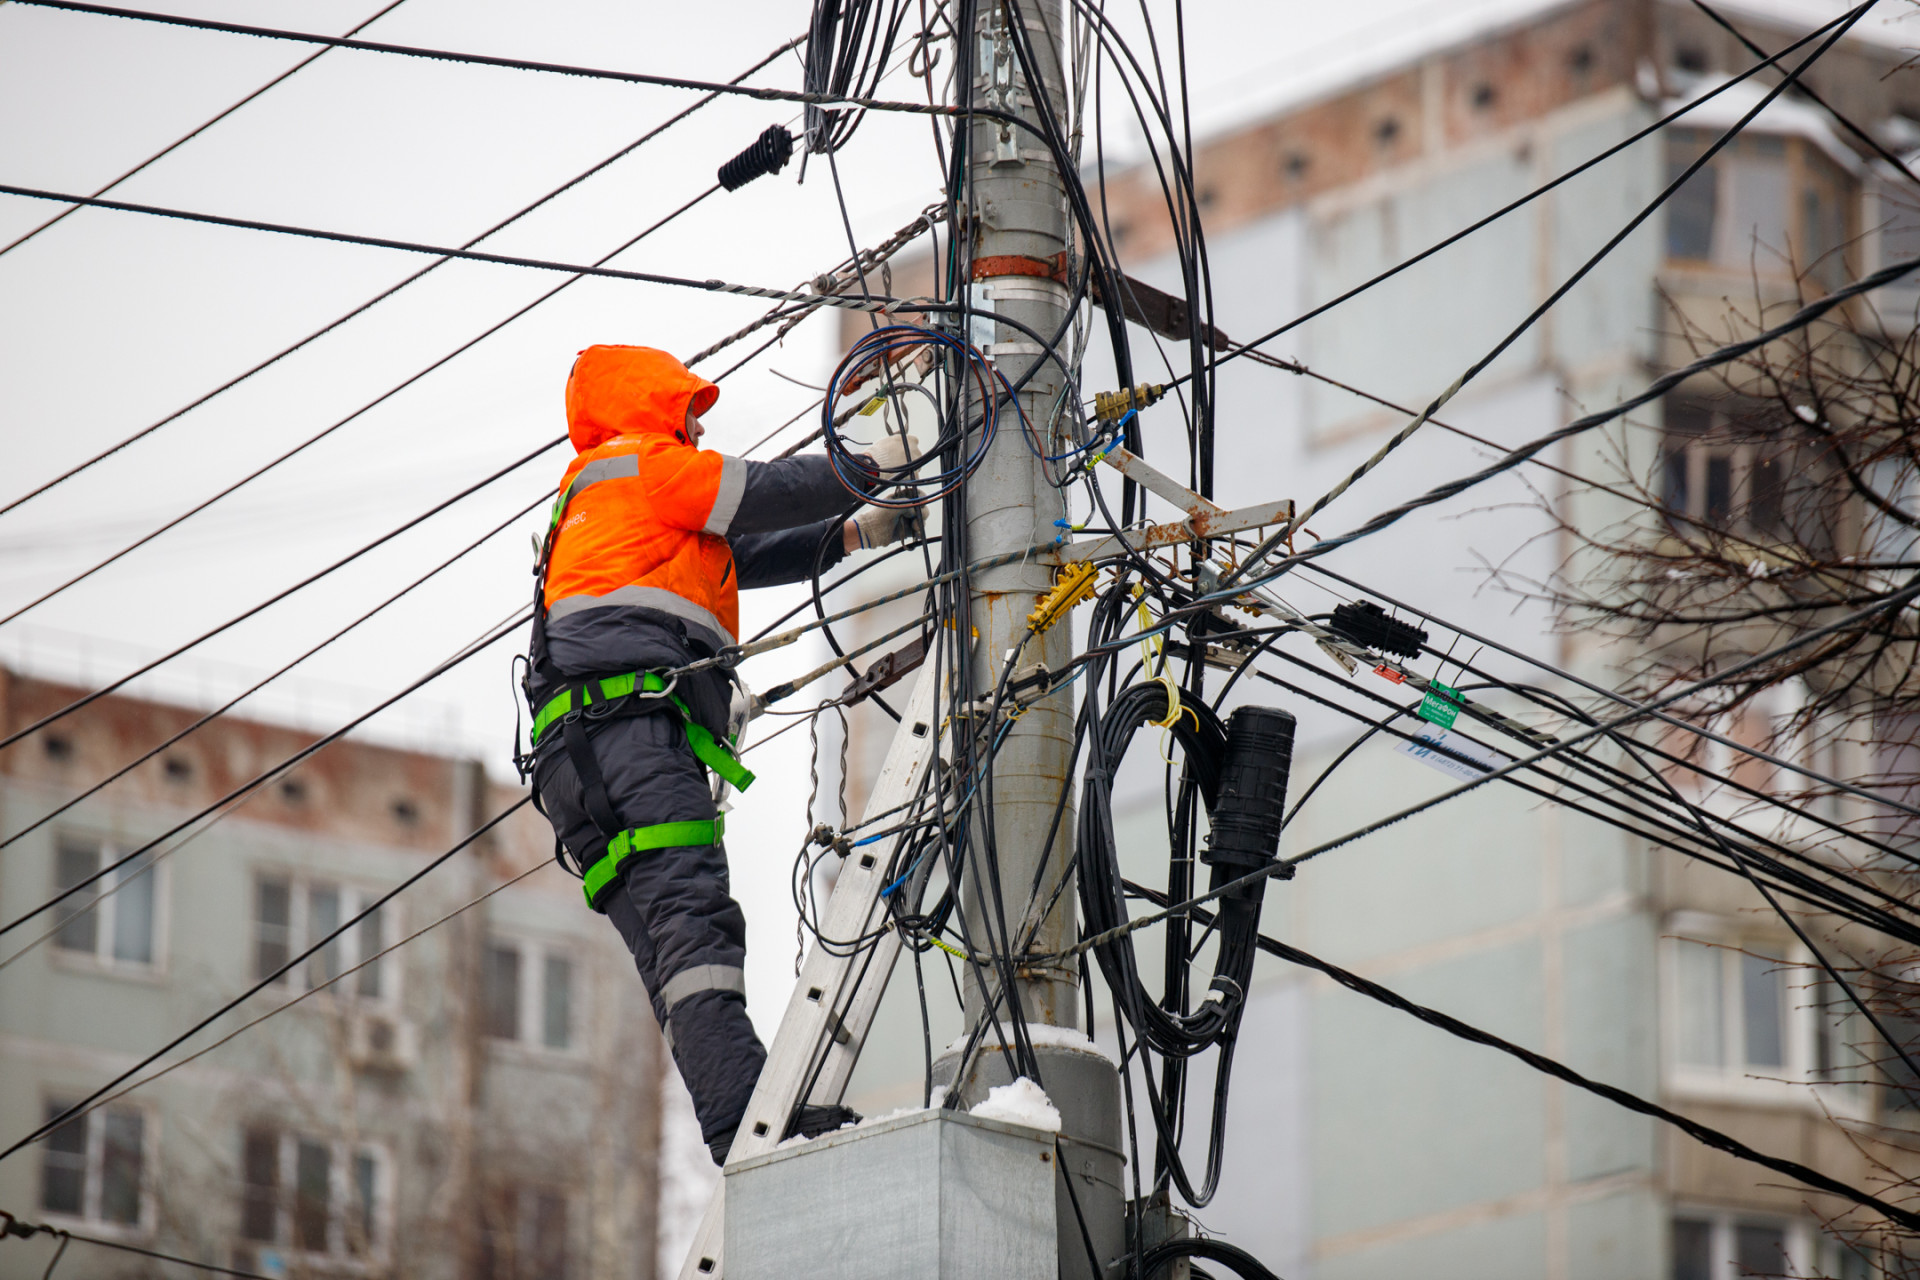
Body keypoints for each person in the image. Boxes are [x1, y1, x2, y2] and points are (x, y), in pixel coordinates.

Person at [520, 344, 918, 1163]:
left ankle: (738, 1119)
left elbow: (736, 558)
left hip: (577, 761)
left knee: (674, 952)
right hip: (632, 739)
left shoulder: (600, 500)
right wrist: (872, 465)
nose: (699, 425)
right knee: (694, 925)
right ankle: (746, 1124)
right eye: (688, 410)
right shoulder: (644, 464)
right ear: (651, 403)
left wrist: (852, 532)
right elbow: (755, 494)